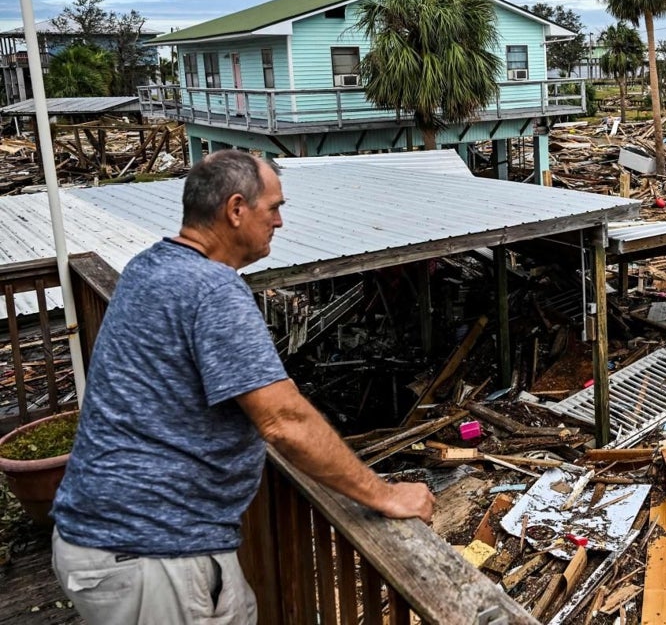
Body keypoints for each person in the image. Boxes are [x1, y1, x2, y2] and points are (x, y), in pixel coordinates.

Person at [52, 150, 434, 624]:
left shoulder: (148, 267)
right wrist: (384, 494)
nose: (279, 221)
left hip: (109, 539)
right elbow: (283, 420)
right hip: (152, 550)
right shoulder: (212, 289)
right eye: (273, 207)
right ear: (236, 210)